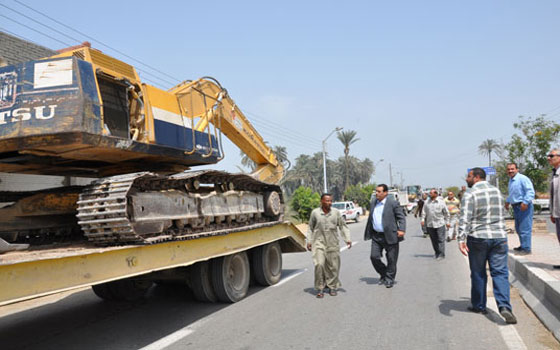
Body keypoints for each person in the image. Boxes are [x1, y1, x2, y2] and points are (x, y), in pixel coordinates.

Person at [458, 168, 517, 324]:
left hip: (478, 238)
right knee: (500, 273)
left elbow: (464, 218)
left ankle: (479, 305)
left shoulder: (470, 194)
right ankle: (505, 307)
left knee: (478, 272)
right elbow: (504, 212)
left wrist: (460, 239)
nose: (466, 179)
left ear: (477, 177)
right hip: (499, 238)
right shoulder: (497, 192)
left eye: (469, 176)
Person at [307, 193, 352, 298]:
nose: (329, 203)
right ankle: (320, 287)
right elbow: (310, 228)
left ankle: (332, 286)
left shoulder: (336, 213)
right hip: (318, 242)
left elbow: (343, 226)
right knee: (319, 264)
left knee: (333, 266)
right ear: (321, 201)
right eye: (327, 200)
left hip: (332, 243)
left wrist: (347, 239)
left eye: (330, 200)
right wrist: (309, 241)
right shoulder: (315, 213)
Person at [364, 184, 406, 288]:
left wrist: (401, 229)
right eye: (376, 191)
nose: (376, 193)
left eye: (379, 191)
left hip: (391, 235)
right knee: (374, 257)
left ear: (385, 193)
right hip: (376, 236)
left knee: (391, 259)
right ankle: (384, 273)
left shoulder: (393, 203)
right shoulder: (373, 202)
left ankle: (389, 279)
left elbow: (401, 217)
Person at [505, 163, 535, 255]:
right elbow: (512, 194)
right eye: (509, 169)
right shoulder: (511, 180)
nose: (510, 171)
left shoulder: (522, 178)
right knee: (518, 228)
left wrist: (525, 202)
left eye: (512, 169)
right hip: (516, 207)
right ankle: (523, 245)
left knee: (525, 227)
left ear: (517, 169)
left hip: (523, 206)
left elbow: (530, 191)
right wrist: (507, 202)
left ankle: (526, 248)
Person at [421, 189, 450, 260]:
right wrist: (422, 220)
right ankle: (437, 252)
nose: (430, 194)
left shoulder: (441, 202)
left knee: (441, 239)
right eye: (429, 193)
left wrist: (448, 222)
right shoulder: (426, 202)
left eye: (431, 193)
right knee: (433, 240)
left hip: (440, 223)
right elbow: (424, 212)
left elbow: (446, 213)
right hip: (430, 224)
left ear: (436, 194)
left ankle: (441, 254)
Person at [547, 149, 560, 269]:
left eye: (551, 156)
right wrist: (552, 212)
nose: (549, 158)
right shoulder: (555, 172)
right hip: (557, 212)